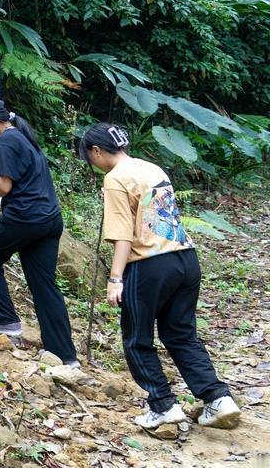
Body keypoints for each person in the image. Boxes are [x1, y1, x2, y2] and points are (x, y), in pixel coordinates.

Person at [78, 123, 241, 430]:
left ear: (96, 151)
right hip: (185, 259)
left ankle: (163, 406)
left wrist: (115, 278)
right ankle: (218, 400)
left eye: (90, 157)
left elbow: (124, 236)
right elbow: (155, 217)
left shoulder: (115, 179)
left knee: (137, 340)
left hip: (150, 266)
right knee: (181, 334)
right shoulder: (151, 168)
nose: (92, 164)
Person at [0, 98, 78, 365]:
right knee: (44, 285)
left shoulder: (5, 141)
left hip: (25, 216)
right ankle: (64, 355)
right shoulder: (23, 137)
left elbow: (4, 188)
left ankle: (5, 318)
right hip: (50, 218)